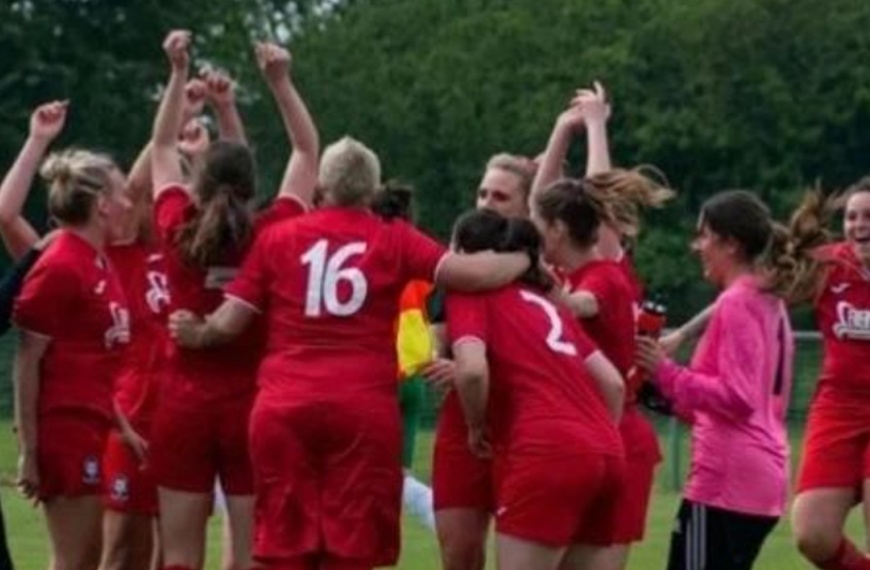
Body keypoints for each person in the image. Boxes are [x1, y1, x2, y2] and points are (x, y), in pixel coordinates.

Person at [167, 135, 534, 570]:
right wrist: (525, 259)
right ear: (372, 190)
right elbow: (469, 275)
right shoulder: (393, 238)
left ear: (321, 187)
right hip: (361, 409)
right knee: (352, 550)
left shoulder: (279, 237)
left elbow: (228, 323)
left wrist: (199, 332)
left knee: (284, 549)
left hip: (285, 406)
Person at [147, 31, 319, 570]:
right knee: (248, 556)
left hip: (182, 402)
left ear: (197, 182)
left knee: (178, 558)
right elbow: (307, 150)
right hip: (251, 402)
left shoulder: (178, 224)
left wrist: (177, 74)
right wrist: (280, 82)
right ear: (252, 186)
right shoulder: (271, 233)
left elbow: (159, 148)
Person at [445, 208, 625, 570]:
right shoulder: (549, 306)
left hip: (547, 450)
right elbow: (613, 383)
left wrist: (477, 425)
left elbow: (473, 372)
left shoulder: (470, 294)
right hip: (607, 452)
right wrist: (594, 438)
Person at [636, 190, 801, 570]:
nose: (698, 246)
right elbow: (749, 402)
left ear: (731, 244)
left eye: (705, 235)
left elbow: (737, 397)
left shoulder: (737, 302)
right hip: (759, 479)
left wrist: (665, 371)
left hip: (727, 484)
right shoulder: (767, 300)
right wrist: (666, 396)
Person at [13, 144, 133, 570]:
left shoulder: (97, 261)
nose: (128, 204)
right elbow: (28, 360)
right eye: (121, 194)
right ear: (101, 204)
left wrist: (124, 429)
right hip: (64, 428)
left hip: (91, 424)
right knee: (73, 560)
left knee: (86, 557)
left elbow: (92, 359)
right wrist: (30, 449)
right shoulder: (62, 262)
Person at [426, 152, 537, 570]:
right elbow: (440, 342)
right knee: (459, 555)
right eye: (482, 192)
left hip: (521, 423)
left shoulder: (538, 273)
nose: (487, 203)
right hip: (462, 418)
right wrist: (436, 358)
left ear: (526, 208)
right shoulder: (458, 273)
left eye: (501, 196)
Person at [790, 180, 870, 570]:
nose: (858, 224)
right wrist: (684, 334)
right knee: (812, 534)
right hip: (837, 407)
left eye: (868, 216)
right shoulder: (828, 267)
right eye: (852, 217)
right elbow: (752, 291)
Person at [371, 183, 437, 531]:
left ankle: (431, 506)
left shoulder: (373, 254)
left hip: (382, 375)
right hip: (412, 376)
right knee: (398, 474)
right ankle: (429, 508)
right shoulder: (416, 256)